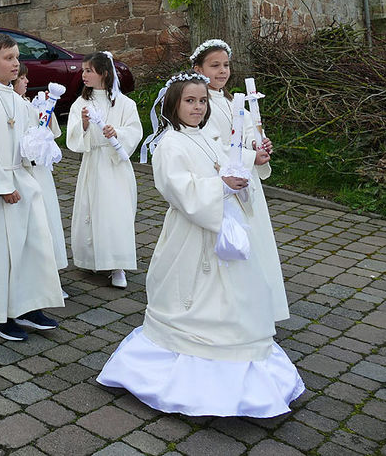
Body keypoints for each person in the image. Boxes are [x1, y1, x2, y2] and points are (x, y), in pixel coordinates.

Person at [96, 72, 305, 417]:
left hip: (223, 230)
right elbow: (178, 188)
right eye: (190, 101)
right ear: (174, 103)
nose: (197, 107)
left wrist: (255, 158)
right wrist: (221, 186)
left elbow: (228, 156)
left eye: (202, 101)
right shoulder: (168, 144)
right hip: (191, 235)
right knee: (194, 298)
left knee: (234, 297)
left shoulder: (207, 134)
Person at [0, 33, 64, 341]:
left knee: (31, 245)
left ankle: (28, 304)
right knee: (0, 251)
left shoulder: (18, 100)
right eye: (8, 58)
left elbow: (32, 137)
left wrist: (40, 144)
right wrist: (1, 185)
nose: (16, 63)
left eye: (18, 57)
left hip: (22, 179)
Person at [191, 39, 289, 322]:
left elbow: (246, 132)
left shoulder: (235, 100)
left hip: (248, 182)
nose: (222, 71)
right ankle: (231, 310)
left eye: (226, 66)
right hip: (224, 182)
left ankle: (261, 306)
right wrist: (248, 158)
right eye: (215, 66)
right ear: (199, 68)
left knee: (255, 240)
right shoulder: (200, 104)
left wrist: (259, 145)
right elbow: (212, 145)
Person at [66, 52, 142, 287]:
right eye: (83, 70)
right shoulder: (81, 103)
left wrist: (117, 133)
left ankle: (118, 263)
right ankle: (92, 257)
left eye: (89, 70)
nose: (84, 74)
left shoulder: (125, 103)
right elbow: (74, 134)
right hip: (94, 163)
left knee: (116, 213)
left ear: (104, 73)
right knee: (92, 210)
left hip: (115, 166)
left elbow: (135, 130)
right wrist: (85, 125)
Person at [12, 63, 68, 289]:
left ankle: (50, 273)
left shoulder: (29, 104)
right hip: (28, 169)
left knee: (49, 216)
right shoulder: (15, 106)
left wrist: (47, 111)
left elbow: (50, 133)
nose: (26, 82)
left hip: (41, 171)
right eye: (22, 78)